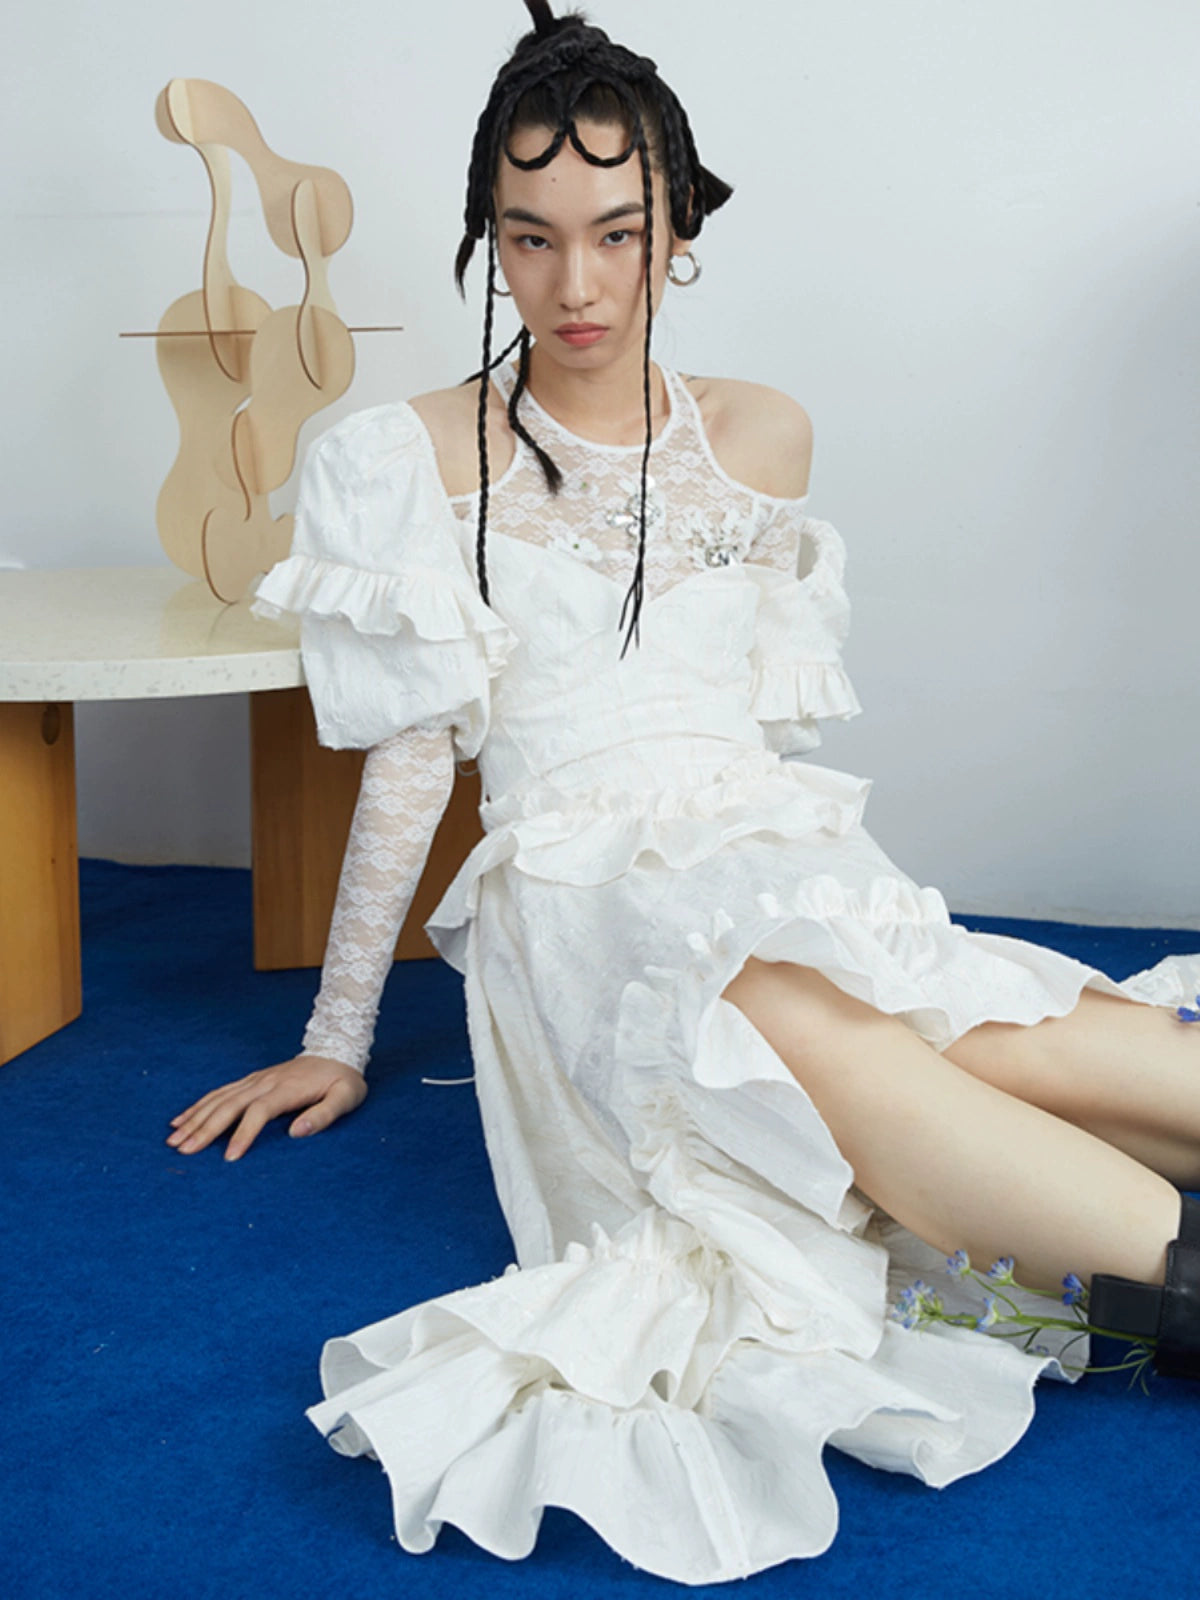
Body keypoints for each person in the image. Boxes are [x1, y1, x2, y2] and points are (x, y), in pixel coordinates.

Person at [167, 1, 1200, 1583]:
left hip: (765, 854)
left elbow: (753, 745)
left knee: (973, 1023)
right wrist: (337, 1037)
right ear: (488, 239)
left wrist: (841, 907)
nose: (575, 286)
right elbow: (413, 759)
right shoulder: (401, 457)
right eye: (530, 239)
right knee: (792, 1024)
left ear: (679, 231)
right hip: (578, 903)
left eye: (617, 234)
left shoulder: (763, 434)